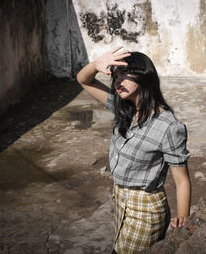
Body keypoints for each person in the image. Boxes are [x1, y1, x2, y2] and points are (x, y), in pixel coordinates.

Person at [77, 46, 191, 254]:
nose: (117, 81)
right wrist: (96, 64)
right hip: (121, 201)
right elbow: (83, 80)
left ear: (143, 77)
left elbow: (182, 180)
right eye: (115, 76)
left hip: (146, 208)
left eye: (124, 75)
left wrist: (182, 219)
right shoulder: (123, 107)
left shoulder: (168, 126)